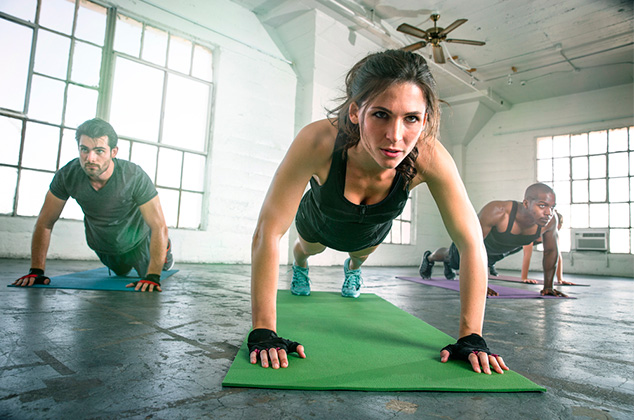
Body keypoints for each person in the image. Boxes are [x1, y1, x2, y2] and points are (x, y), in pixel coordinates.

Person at [248, 50, 508, 375]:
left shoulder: (429, 156)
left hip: (369, 231)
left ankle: (352, 268)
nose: (395, 136)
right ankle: (302, 265)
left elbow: (470, 242)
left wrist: (472, 336)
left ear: (424, 119)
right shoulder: (319, 140)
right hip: (318, 220)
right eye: (381, 115)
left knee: (358, 257)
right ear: (356, 112)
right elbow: (268, 232)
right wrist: (263, 330)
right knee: (308, 248)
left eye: (411, 118)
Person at [12, 118, 173, 292]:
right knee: (121, 273)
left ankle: (166, 249)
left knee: (150, 276)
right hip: (105, 246)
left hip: (139, 243)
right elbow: (45, 223)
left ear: (113, 152)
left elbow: (158, 226)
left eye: (99, 151)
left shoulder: (134, 176)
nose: (90, 158)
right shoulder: (68, 175)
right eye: (84, 150)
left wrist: (153, 276)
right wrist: (36, 270)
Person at [420, 183, 567, 297]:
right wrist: (479, 284)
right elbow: (473, 245)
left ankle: (449, 264)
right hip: (472, 246)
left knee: (457, 261)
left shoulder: (550, 221)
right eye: (542, 205)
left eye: (552, 207)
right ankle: (429, 257)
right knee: (449, 255)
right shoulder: (498, 211)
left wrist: (548, 287)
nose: (548, 212)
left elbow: (551, 252)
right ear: (526, 203)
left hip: (494, 255)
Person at [521, 210, 573, 285]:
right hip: (511, 242)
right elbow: (527, 255)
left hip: (522, 244)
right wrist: (524, 278)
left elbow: (557, 255)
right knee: (500, 254)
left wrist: (560, 279)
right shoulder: (534, 229)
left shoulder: (554, 233)